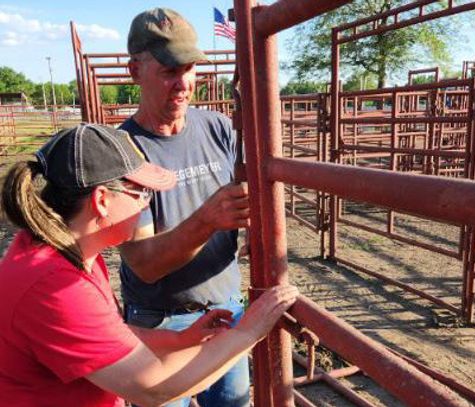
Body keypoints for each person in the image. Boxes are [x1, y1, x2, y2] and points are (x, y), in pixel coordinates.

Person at [0, 123, 298, 407]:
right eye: (141, 192)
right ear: (102, 200)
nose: (146, 204)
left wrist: (179, 339)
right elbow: (152, 387)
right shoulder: (55, 284)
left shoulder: (65, 251)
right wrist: (248, 332)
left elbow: (109, 333)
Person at [119, 8, 251, 407]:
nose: (183, 83)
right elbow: (143, 262)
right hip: (161, 320)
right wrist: (208, 219)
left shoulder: (217, 127)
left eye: (190, 68)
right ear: (135, 71)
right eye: (169, 70)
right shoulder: (123, 151)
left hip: (226, 308)